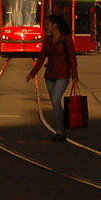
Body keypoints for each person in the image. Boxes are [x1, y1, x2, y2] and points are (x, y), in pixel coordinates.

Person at [27, 14, 79, 142]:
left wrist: (75, 75)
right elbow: (41, 58)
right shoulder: (47, 40)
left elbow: (72, 58)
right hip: (49, 75)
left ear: (55, 25)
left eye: (47, 24)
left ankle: (60, 131)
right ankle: (60, 129)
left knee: (56, 100)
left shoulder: (66, 39)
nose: (45, 26)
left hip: (63, 74)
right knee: (55, 104)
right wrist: (32, 73)